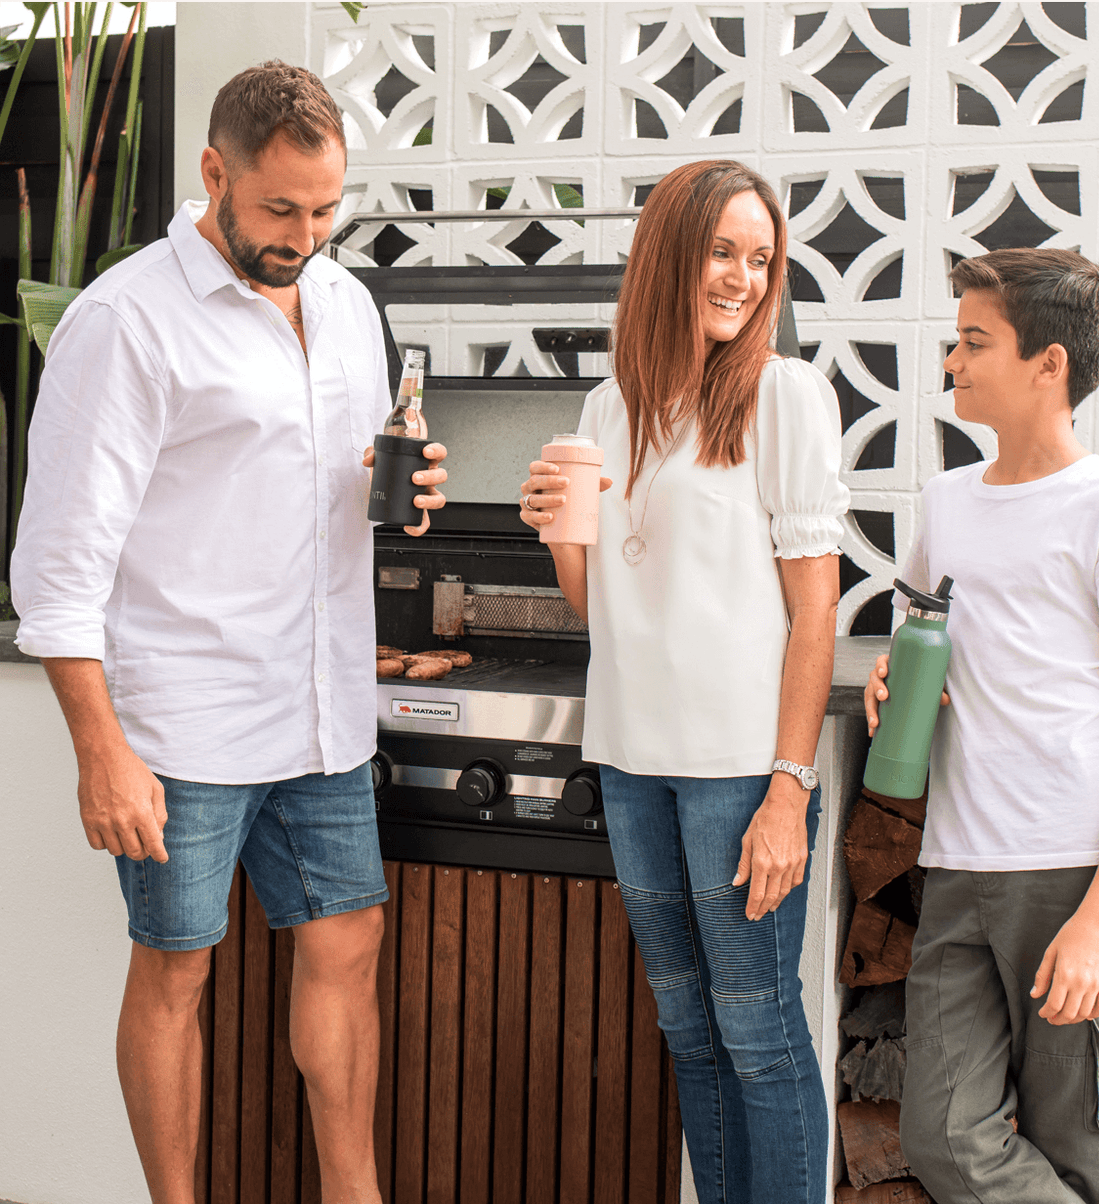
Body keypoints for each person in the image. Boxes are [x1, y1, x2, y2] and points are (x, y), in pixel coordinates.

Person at [10, 62, 447, 1204]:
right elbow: (58, 567)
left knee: (347, 947)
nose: (305, 235)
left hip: (321, 711)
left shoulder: (348, 304)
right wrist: (101, 750)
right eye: (279, 210)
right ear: (214, 174)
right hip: (184, 723)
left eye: (325, 210)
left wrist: (402, 486)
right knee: (176, 974)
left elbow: (333, 480)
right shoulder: (124, 322)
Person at [519, 160, 850, 1203]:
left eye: (761, 259)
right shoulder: (608, 405)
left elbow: (815, 610)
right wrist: (554, 529)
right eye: (723, 252)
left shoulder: (786, 396)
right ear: (669, 253)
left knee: (758, 1029)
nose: (744, 279)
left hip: (738, 772)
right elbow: (599, 608)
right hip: (630, 761)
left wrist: (789, 789)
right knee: (691, 1029)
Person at [864, 248, 1099, 1204]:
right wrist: (895, 677)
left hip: (1076, 869)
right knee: (942, 1135)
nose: (953, 361)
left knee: (1084, 1152)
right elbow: (926, 642)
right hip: (962, 864)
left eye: (975, 342)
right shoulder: (945, 502)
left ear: (1051, 364)